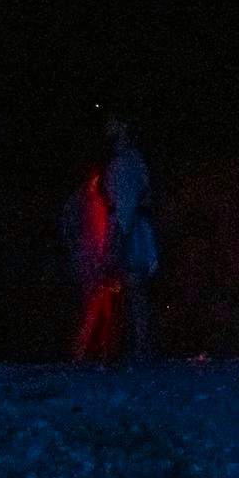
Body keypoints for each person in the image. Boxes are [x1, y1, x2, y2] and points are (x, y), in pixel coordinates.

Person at [104, 113, 160, 362]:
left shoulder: (125, 164)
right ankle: (138, 347)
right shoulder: (131, 161)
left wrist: (117, 240)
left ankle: (140, 348)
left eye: (113, 122)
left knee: (134, 291)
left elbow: (125, 208)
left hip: (131, 230)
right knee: (134, 292)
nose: (107, 127)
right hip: (134, 227)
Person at [62, 162, 118, 362]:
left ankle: (103, 352)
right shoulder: (82, 202)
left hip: (98, 261)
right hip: (90, 262)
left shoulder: (98, 201)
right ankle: (79, 352)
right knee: (91, 308)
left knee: (105, 309)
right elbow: (75, 233)